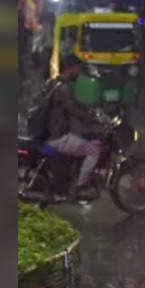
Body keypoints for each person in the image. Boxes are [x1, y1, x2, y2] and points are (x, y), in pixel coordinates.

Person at [45, 55, 105, 199]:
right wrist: (94, 119)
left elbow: (76, 105)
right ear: (70, 68)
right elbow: (73, 109)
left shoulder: (54, 83)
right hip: (57, 136)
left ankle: (73, 177)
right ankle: (80, 187)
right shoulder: (63, 88)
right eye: (77, 68)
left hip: (50, 133)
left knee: (82, 138)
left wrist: (91, 110)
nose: (78, 72)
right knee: (93, 151)